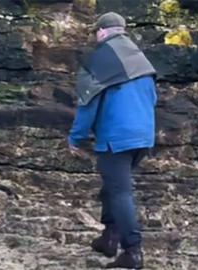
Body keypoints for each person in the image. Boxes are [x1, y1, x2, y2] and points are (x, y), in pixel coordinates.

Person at [67, 12, 157, 269]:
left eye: (96, 33)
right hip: (143, 137)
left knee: (119, 192)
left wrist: (76, 137)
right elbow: (152, 98)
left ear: (102, 32)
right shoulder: (142, 60)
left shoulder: (97, 60)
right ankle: (109, 238)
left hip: (117, 138)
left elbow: (87, 103)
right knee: (112, 187)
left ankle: (132, 251)